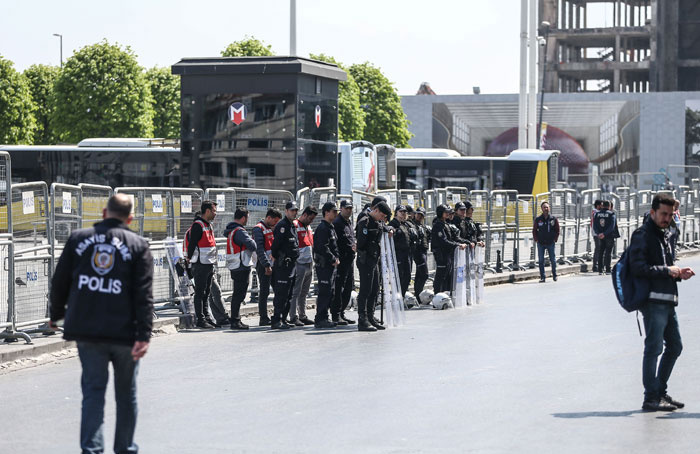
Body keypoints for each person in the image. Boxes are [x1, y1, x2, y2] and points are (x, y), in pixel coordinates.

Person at [49, 194, 153, 454]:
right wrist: (144, 334)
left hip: (88, 331)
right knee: (126, 395)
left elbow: (60, 281)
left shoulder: (78, 239)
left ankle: (92, 450)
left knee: (93, 393)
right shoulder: (138, 244)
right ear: (129, 218)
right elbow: (144, 294)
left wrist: (55, 315)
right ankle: (125, 449)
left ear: (105, 213)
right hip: (125, 333)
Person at [629, 193, 695, 411]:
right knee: (654, 348)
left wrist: (678, 273)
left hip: (668, 300)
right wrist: (668, 271)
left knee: (675, 346)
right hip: (652, 301)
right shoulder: (643, 235)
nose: (667, 218)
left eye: (670, 214)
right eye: (663, 214)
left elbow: (666, 265)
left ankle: (659, 392)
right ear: (652, 213)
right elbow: (638, 268)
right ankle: (651, 397)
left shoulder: (665, 234)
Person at [356, 200, 392, 332]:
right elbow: (361, 244)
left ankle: (370, 316)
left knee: (374, 289)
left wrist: (390, 229)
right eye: (382, 216)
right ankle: (362, 319)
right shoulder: (364, 221)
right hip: (365, 260)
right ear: (376, 211)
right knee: (365, 290)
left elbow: (385, 227)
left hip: (374, 260)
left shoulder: (377, 222)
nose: (383, 219)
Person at [184, 200, 218, 329]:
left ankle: (207, 317)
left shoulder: (208, 225)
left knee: (207, 292)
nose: (215, 213)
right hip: (200, 264)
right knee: (200, 292)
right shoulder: (198, 225)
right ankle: (200, 319)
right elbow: (192, 244)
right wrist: (188, 261)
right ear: (208, 211)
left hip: (208, 263)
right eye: (214, 211)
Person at [224, 208, 259, 330]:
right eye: (247, 218)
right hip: (241, 265)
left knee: (237, 294)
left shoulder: (232, 230)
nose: (247, 221)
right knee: (239, 294)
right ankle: (235, 320)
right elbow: (253, 245)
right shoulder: (239, 231)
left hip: (236, 265)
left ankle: (235, 319)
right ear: (243, 218)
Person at [270, 201, 300, 330]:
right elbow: (275, 247)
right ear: (286, 211)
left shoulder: (292, 225)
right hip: (283, 265)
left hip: (291, 265)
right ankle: (276, 320)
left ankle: (283, 318)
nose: (294, 213)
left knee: (289, 294)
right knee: (281, 294)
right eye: (292, 210)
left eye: (295, 210)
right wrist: (281, 258)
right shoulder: (282, 226)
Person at [289, 206, 318, 326]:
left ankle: (302, 315)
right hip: (299, 263)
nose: (311, 221)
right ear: (305, 215)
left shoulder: (308, 227)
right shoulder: (295, 225)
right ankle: (293, 316)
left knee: (304, 292)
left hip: (309, 262)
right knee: (296, 292)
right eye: (310, 218)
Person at [252, 208, 282, 326]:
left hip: (271, 263)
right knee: (264, 292)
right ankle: (263, 317)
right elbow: (260, 249)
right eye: (275, 221)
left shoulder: (269, 228)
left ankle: (276, 314)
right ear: (268, 218)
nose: (276, 224)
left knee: (277, 290)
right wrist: (266, 265)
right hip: (264, 265)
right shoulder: (258, 228)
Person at [313, 202, 341, 329]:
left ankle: (325, 316)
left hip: (331, 265)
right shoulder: (322, 228)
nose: (336, 214)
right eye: (333, 211)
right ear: (326, 212)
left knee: (330, 292)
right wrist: (332, 258)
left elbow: (333, 245)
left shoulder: (331, 227)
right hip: (324, 265)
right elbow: (321, 247)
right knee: (325, 292)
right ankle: (320, 318)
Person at [331, 200, 357, 325]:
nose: (349, 210)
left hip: (349, 260)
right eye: (346, 208)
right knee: (339, 288)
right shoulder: (337, 223)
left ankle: (341, 312)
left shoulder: (349, 222)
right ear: (341, 209)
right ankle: (336, 314)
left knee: (348, 288)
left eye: (350, 208)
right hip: (341, 261)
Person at [432, 204, 467, 293]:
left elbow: (453, 238)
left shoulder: (445, 224)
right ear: (441, 213)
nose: (448, 214)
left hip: (446, 253)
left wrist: (465, 242)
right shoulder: (438, 225)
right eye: (446, 212)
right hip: (441, 253)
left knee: (446, 274)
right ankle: (437, 294)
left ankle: (444, 293)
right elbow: (443, 241)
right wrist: (457, 245)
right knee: (441, 275)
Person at [389, 205, 416, 297]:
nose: (404, 214)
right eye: (401, 212)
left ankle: (401, 296)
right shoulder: (393, 224)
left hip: (407, 253)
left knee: (407, 276)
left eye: (405, 212)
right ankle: (397, 297)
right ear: (396, 213)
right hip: (398, 253)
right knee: (399, 276)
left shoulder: (405, 224)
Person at [533, 201, 560, 283]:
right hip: (541, 243)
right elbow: (534, 230)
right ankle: (543, 277)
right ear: (541, 209)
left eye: (547, 207)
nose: (546, 209)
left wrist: (555, 239)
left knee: (553, 260)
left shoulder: (553, 219)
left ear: (549, 208)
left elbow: (557, 230)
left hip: (550, 243)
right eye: (544, 207)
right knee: (541, 261)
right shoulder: (538, 219)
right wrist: (536, 239)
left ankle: (554, 275)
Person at [412, 207, 430, 302]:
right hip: (418, 251)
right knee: (424, 273)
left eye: (421, 215)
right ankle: (418, 293)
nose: (419, 216)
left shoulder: (422, 226)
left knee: (420, 274)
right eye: (418, 214)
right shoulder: (412, 225)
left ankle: (418, 294)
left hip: (424, 250)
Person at [593, 200, 615, 275]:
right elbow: (612, 226)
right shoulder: (611, 214)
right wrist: (604, 233)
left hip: (600, 236)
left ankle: (600, 269)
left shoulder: (597, 214)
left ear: (602, 206)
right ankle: (608, 269)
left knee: (601, 252)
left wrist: (599, 233)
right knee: (608, 252)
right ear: (609, 206)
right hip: (609, 236)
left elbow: (594, 225)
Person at [591, 200, 602, 273]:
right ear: (597, 205)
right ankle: (595, 265)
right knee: (598, 248)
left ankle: (599, 264)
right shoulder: (596, 212)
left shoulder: (596, 212)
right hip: (596, 233)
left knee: (599, 248)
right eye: (601, 205)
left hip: (598, 233)